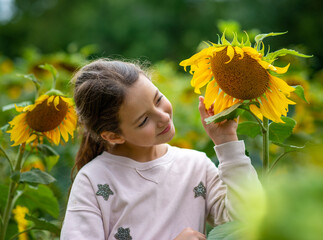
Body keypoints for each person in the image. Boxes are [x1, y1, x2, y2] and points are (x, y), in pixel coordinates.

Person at [60, 59, 263, 240]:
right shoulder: (94, 181)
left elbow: (247, 219)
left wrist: (226, 141)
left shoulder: (196, 166)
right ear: (113, 136)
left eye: (158, 99)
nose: (163, 117)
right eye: (144, 120)